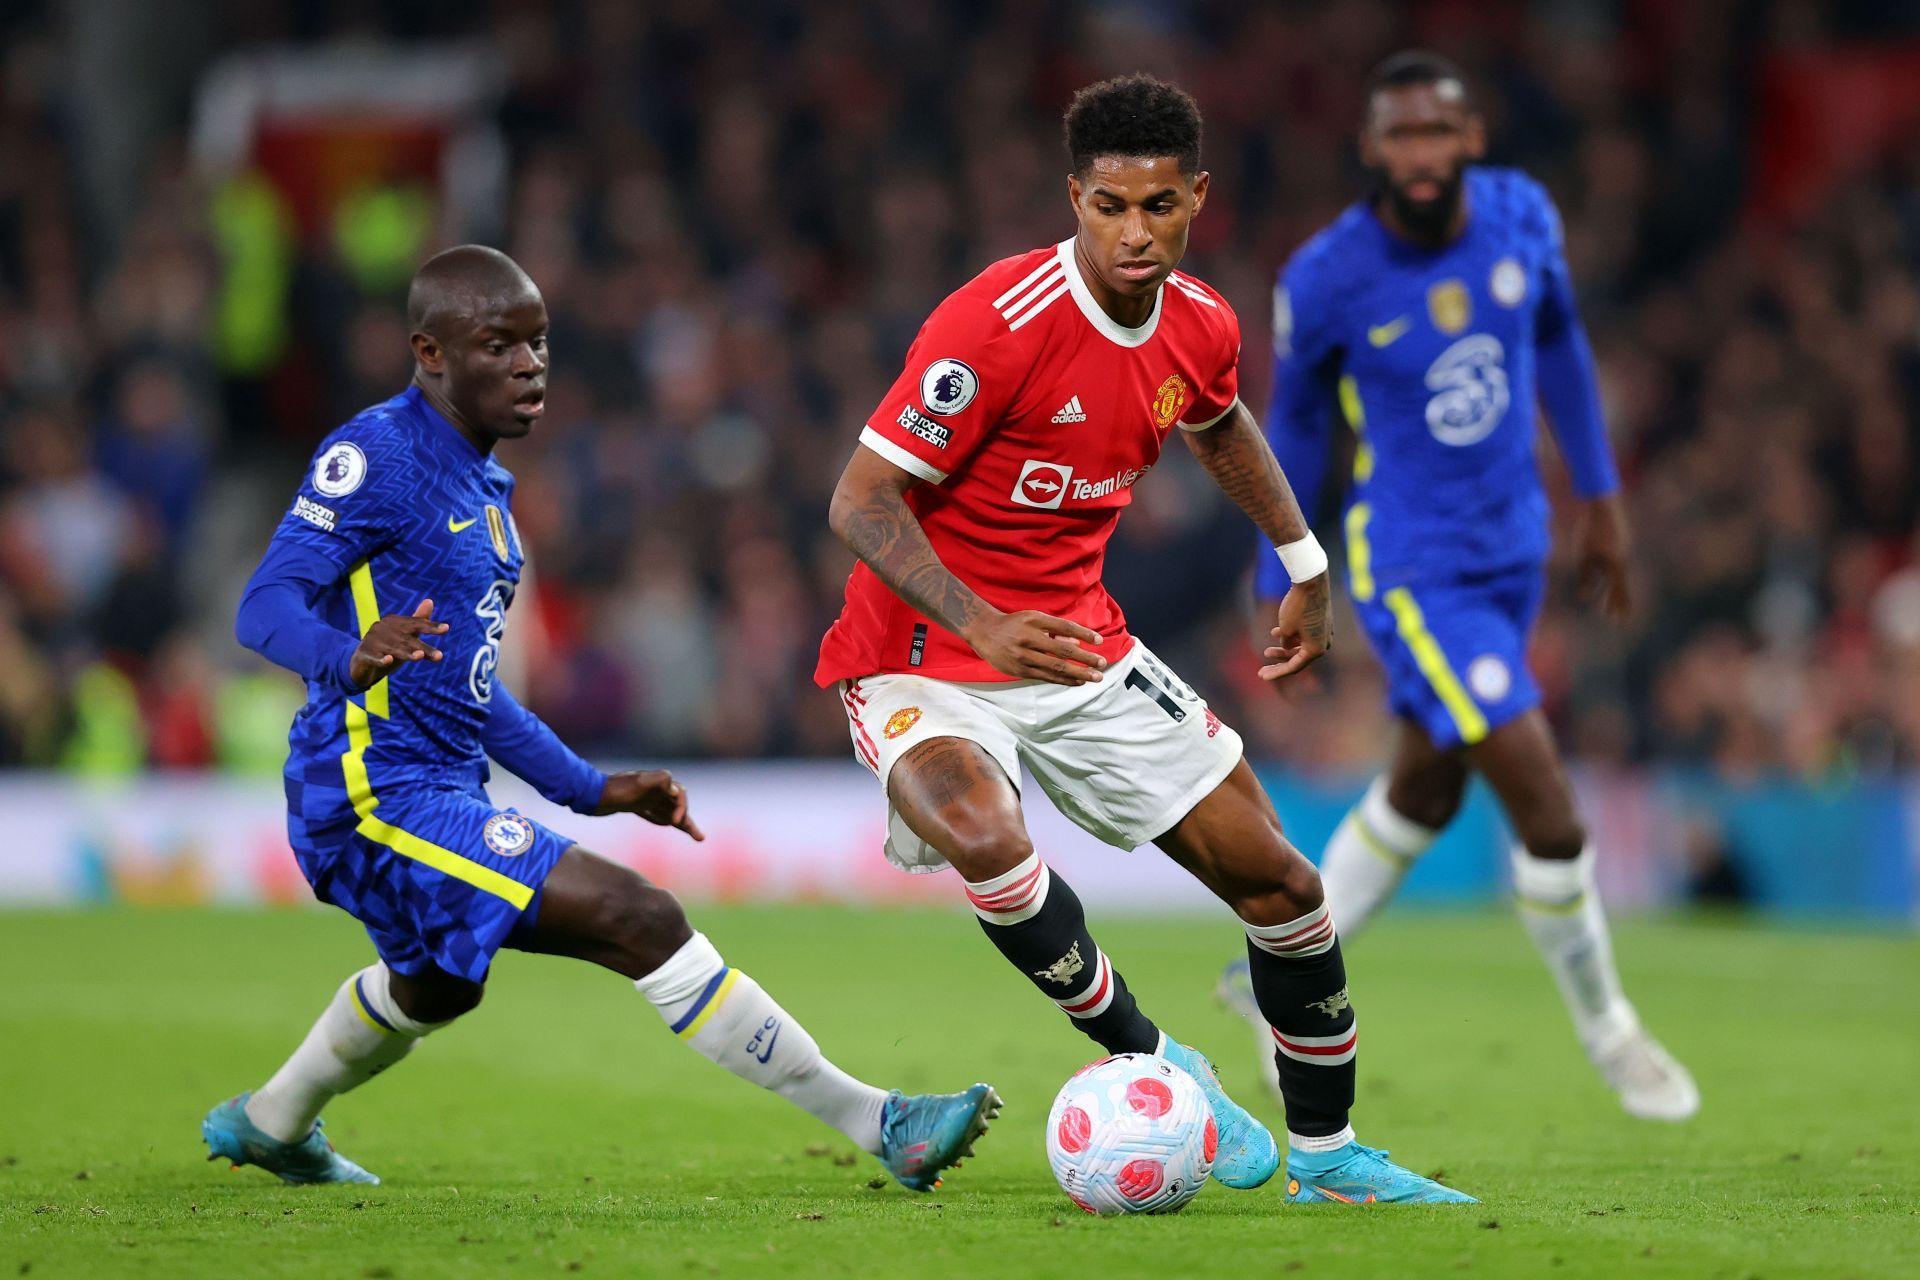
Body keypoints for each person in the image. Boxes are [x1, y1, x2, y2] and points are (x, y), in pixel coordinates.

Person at [203, 246, 998, 1189]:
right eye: (498, 345)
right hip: (370, 791)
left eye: (538, 343)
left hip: (432, 785)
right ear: (430, 352)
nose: (529, 365)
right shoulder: (375, 455)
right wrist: (348, 654)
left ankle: (270, 1122)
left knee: (437, 985)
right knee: (637, 914)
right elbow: (264, 608)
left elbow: (473, 691)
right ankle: (883, 1122)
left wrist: (591, 786)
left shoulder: (486, 492)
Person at [817, 74, 1473, 1206]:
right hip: (923, 649)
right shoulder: (995, 323)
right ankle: (1158, 1057)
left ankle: (1328, 1159)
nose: (1135, 231)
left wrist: (1305, 563)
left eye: (1159, 206)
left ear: (1196, 198)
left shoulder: (1201, 322)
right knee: (982, 830)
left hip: (1078, 644)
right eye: (1110, 205)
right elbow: (861, 497)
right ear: (1074, 196)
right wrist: (981, 621)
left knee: (1283, 883)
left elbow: (1219, 426)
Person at [1219, 51, 1698, 1122]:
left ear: (1472, 137)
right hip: (1410, 565)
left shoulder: (1524, 215)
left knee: (1424, 788)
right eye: (1401, 136)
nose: (1422, 155)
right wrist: (1280, 567)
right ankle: (1611, 1028)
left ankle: (1270, 982)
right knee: (1550, 807)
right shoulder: (1328, 274)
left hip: (1515, 547)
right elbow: (1291, 425)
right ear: (1371, 148)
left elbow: (1563, 341)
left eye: (1439, 132)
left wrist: (1603, 492)